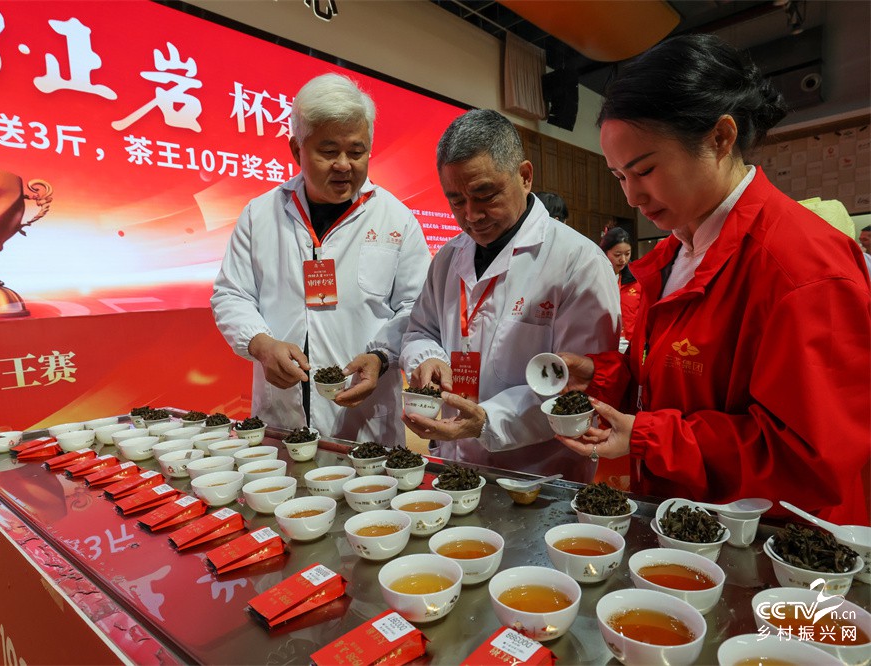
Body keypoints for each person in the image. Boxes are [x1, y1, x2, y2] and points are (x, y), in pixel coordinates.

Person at [554, 34, 870, 524]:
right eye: (619, 177)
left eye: (645, 170)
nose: (632, 197)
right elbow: (674, 381)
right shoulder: (672, 255)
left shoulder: (802, 266)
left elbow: (809, 457)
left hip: (764, 540)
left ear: (720, 138)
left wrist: (650, 437)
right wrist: (601, 378)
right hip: (684, 521)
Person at [399, 109, 620, 480]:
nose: (472, 215)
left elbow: (579, 387)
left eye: (485, 195)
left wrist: (488, 420)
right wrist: (428, 357)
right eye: (456, 201)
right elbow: (420, 329)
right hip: (457, 464)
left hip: (540, 473)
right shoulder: (448, 258)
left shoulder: (577, 261)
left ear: (525, 176)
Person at [211, 73, 431, 444]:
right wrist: (261, 344)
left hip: (365, 424)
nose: (344, 165)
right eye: (329, 152)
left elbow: (416, 308)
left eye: (357, 152)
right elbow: (231, 294)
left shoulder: (396, 219)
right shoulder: (260, 214)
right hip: (282, 419)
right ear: (296, 149)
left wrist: (381, 356)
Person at [599, 227, 641, 347]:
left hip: (631, 344)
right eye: (617, 254)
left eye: (627, 254)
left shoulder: (637, 279)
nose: (623, 260)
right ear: (605, 252)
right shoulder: (596, 277)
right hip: (602, 342)